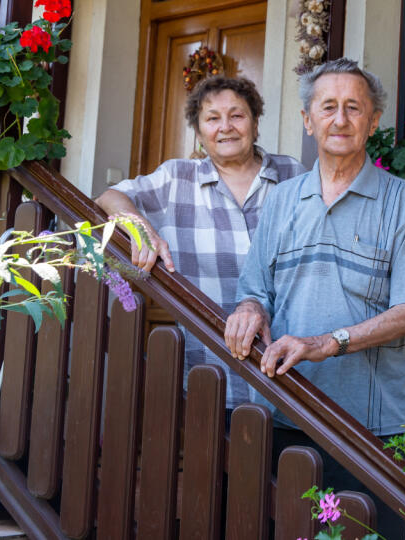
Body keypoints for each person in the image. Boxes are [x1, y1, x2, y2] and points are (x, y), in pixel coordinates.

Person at [223, 58, 405, 538]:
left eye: (354, 108)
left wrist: (325, 343)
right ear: (308, 119)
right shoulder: (280, 200)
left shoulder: (403, 200)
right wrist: (250, 309)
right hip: (284, 409)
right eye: (328, 107)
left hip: (372, 426)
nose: (340, 119)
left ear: (373, 120)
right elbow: (254, 290)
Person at [95, 76, 306, 415]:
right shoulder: (176, 178)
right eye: (212, 118)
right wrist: (140, 226)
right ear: (198, 130)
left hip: (290, 375)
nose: (226, 127)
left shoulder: (292, 175)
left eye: (237, 115)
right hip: (212, 374)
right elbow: (110, 196)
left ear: (254, 122)